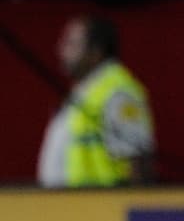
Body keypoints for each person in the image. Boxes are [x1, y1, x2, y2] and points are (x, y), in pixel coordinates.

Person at [38, 15, 154, 187]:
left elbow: (137, 163)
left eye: (72, 44)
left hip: (103, 201)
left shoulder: (118, 92)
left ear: (95, 52)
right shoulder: (85, 91)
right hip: (70, 201)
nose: (61, 50)